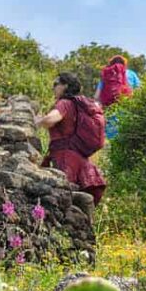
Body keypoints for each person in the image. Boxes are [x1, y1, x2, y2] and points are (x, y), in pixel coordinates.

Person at [35, 73, 107, 206]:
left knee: (63, 200)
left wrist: (37, 122)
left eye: (56, 84)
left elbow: (51, 119)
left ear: (65, 86)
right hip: (81, 159)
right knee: (79, 204)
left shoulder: (65, 103)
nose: (53, 88)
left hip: (64, 158)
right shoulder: (81, 106)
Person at [94, 55, 141, 140]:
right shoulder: (131, 74)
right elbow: (139, 91)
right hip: (127, 107)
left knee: (111, 136)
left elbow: (96, 96)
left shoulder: (107, 75)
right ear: (125, 64)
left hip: (110, 108)